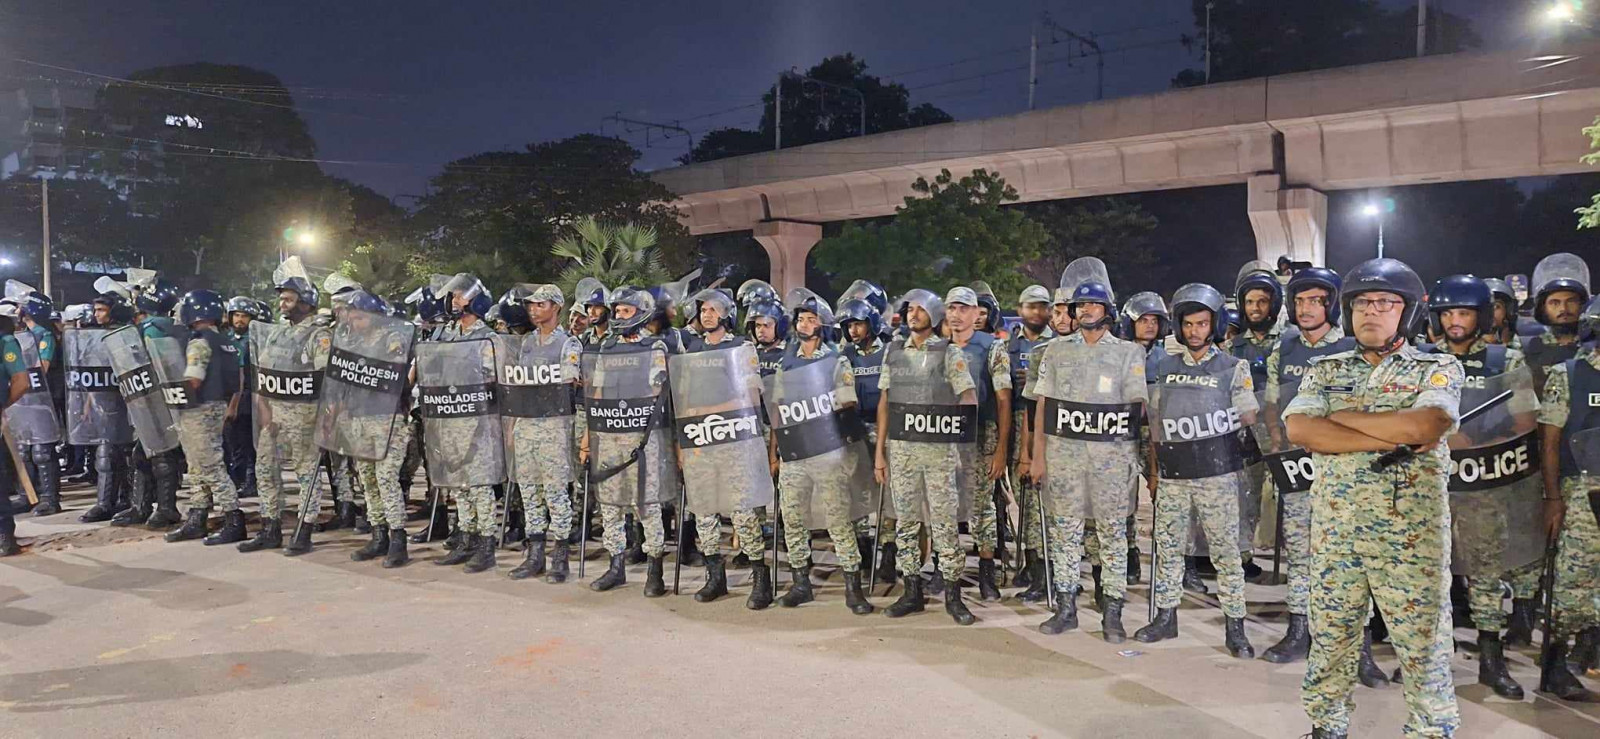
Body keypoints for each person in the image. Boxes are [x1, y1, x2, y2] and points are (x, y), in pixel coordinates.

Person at [1285, 258, 1462, 738]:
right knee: (1332, 640)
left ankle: (1430, 730)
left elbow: (1427, 425)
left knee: (1422, 643)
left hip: (1411, 538)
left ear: (1406, 313)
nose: (1372, 311)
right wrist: (1393, 436)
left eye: (1386, 303)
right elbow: (1301, 429)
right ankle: (1327, 727)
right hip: (1336, 534)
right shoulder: (1325, 368)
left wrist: (1340, 420)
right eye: (1363, 302)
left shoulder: (1437, 366)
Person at [1425, 274, 1536, 699]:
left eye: (1464, 313)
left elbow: (1524, 422)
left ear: (1482, 316)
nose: (1455, 321)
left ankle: (1492, 660)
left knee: (1485, 573)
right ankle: (1433, 659)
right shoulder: (1422, 359)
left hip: (1482, 485)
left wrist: (1475, 442)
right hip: (1431, 487)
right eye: (1448, 312)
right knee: (1431, 574)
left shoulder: (1503, 361)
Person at [1134, 283, 1256, 659]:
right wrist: (1155, 471)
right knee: (1168, 548)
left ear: (1214, 325)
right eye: (1188, 324)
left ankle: (1235, 626)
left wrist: (1209, 421)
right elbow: (1155, 421)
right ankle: (1165, 616)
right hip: (1174, 475)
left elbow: (1248, 415)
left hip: (1217, 475)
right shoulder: (1165, 367)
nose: (1194, 331)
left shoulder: (1234, 367)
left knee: (1225, 553)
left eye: (1202, 324)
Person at [1027, 259, 1140, 642]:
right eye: (1079, 306)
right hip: (1065, 461)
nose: (1086, 310)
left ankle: (1112, 611)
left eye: (1093, 304)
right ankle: (1066, 607)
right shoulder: (1056, 351)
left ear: (1108, 309)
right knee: (1065, 534)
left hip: (1110, 463)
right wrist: (1038, 456)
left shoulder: (1128, 353)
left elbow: (1136, 411)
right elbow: (1043, 405)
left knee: (1111, 535)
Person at [1260, 267, 1363, 670]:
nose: (1306, 308)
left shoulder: (1354, 347)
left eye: (1316, 300)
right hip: (1298, 468)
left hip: (1345, 469)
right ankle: (1299, 629)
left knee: (1351, 558)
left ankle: (1359, 647)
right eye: (1300, 301)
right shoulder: (1284, 349)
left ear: (1333, 304)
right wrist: (1277, 442)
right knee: (1300, 554)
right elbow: (1272, 405)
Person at [876, 289, 979, 625]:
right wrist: (881, 452)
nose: (913, 313)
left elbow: (968, 398)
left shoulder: (949, 353)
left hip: (938, 454)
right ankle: (912, 592)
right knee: (906, 524)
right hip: (902, 454)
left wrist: (958, 444)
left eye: (921, 309)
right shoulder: (893, 352)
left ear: (933, 316)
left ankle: (953, 594)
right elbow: (885, 402)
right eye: (910, 309)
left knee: (945, 524)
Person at [767, 289, 873, 613]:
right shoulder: (787, 363)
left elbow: (847, 400)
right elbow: (778, 410)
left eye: (810, 319)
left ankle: (853, 587)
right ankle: (802, 583)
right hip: (796, 452)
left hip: (828, 450)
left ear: (822, 325)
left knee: (838, 518)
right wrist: (775, 453)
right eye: (800, 318)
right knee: (794, 517)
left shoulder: (835, 360)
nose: (803, 323)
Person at [583, 286, 673, 596]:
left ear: (641, 313)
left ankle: (655, 568)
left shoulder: (655, 349)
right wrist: (587, 438)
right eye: (617, 310)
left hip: (642, 438)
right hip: (608, 436)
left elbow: (659, 394)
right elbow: (595, 396)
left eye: (626, 310)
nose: (620, 315)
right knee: (610, 503)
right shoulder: (606, 350)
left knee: (647, 503)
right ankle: (616, 565)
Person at [1533, 293, 1600, 702]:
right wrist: (1553, 497)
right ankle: (1556, 664)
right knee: (1572, 584)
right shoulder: (1569, 374)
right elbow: (1551, 442)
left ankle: (1587, 650)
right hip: (1583, 495)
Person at [242, 263, 334, 554]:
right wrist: (264, 408)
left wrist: (327, 418)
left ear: (306, 301)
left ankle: (304, 530)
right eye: (281, 298)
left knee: (307, 474)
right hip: (275, 417)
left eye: (289, 298)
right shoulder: (277, 334)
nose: (283, 303)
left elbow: (327, 380)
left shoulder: (319, 335)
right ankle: (270, 528)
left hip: (305, 416)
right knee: (265, 470)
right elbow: (264, 372)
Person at [501, 285, 582, 583]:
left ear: (556, 307)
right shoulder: (526, 344)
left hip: (554, 425)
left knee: (556, 493)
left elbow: (570, 377)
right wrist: (513, 426)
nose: (533, 309)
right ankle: (534, 554)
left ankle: (560, 555)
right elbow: (518, 385)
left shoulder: (569, 344)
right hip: (527, 424)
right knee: (529, 491)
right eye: (531, 305)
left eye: (540, 304)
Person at [944, 286, 1012, 601]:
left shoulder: (992, 348)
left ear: (976, 313)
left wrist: (1000, 449)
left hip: (981, 435)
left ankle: (987, 572)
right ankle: (945, 572)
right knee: (943, 506)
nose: (957, 315)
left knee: (982, 508)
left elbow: (1003, 401)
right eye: (951, 309)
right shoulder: (936, 347)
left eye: (963, 309)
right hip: (941, 436)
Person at [164, 289, 245, 545]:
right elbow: (237, 381)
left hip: (199, 409)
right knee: (197, 466)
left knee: (209, 465)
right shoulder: (226, 341)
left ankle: (233, 518)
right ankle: (197, 517)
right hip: (218, 406)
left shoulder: (199, 342)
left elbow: (194, 379)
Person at [838, 297, 891, 582]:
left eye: (857, 324)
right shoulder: (844, 354)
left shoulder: (890, 352)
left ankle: (889, 554)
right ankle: (863, 550)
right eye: (848, 326)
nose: (853, 331)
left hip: (885, 429)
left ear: (871, 324)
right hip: (855, 429)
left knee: (887, 494)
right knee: (856, 491)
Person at [1007, 285, 1054, 597]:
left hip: (1047, 427)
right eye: (1030, 307)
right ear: (1020, 309)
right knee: (1022, 494)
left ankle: (1045, 571)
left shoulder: (1059, 343)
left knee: (1044, 501)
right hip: (1016, 422)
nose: (1036, 312)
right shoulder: (1009, 344)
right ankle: (1031, 559)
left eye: (1042, 307)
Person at [1523, 253, 1590, 395]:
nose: (1563, 309)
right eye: (1555, 303)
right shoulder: (1526, 350)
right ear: (1543, 308)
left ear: (1582, 305)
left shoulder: (1594, 348)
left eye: (1571, 301)